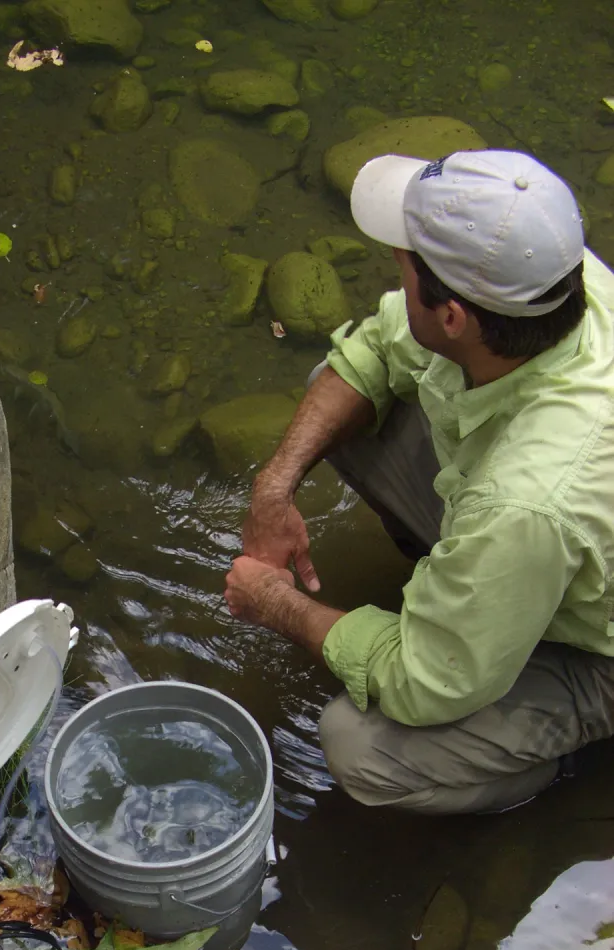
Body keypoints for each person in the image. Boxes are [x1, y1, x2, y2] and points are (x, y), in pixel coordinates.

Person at [225, 149, 614, 815]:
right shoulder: (554, 287)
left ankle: (554, 757)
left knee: (361, 747)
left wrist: (279, 607)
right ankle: (474, 598)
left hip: (595, 641)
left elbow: (422, 680)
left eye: (403, 266)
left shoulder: (527, 499)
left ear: (455, 318)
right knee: (340, 400)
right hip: (532, 537)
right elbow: (373, 349)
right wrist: (274, 488)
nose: (392, 271)